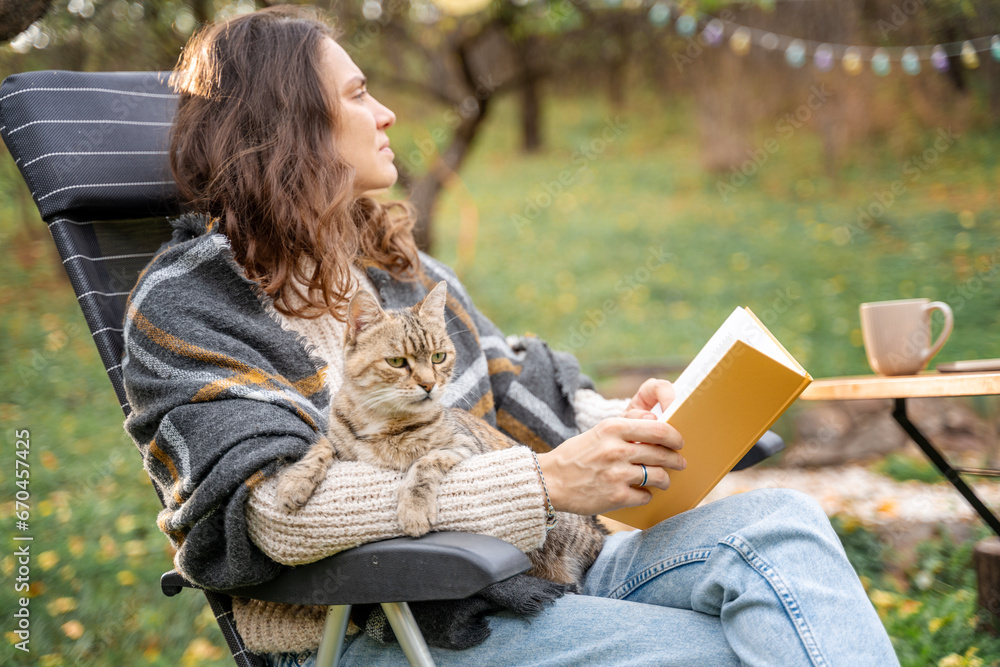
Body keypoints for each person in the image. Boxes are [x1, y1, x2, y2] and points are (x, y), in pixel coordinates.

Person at [122, 6, 898, 665]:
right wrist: (547, 484)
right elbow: (277, 513)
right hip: (384, 618)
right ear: (289, 124)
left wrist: (619, 421)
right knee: (729, 646)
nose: (387, 113)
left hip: (531, 567)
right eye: (359, 93)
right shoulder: (192, 305)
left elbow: (509, 373)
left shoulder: (390, 267)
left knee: (783, 524)